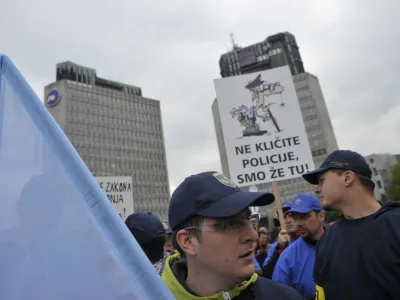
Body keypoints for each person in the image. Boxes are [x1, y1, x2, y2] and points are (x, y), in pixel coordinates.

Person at [161, 171, 304, 299]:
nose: (253, 235)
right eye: (230, 224)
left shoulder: (283, 296)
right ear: (188, 241)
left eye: (249, 220)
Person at [303, 150, 400, 300]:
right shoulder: (327, 241)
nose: (317, 189)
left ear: (347, 178)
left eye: (322, 181)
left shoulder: (396, 223)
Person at [272, 194, 325, 299]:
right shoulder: (287, 257)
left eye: (304, 217)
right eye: (295, 218)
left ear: (321, 216)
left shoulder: (341, 243)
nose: (299, 223)